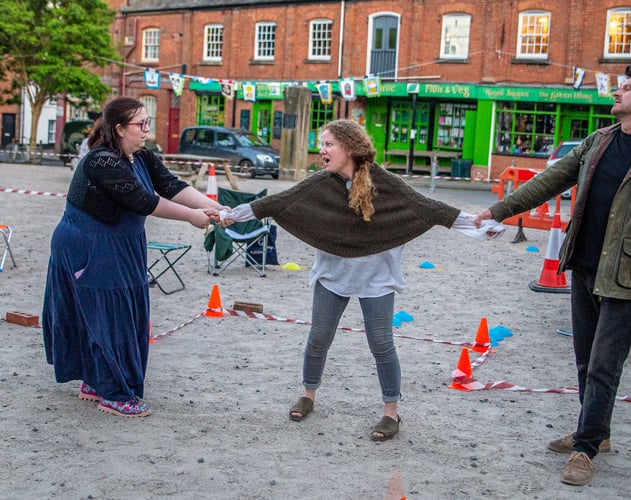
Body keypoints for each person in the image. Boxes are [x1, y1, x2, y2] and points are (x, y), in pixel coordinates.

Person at [475, 66, 631, 485]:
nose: (618, 91)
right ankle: (598, 433)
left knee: (605, 366)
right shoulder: (599, 141)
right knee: (584, 359)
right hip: (584, 265)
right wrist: (497, 209)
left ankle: (585, 448)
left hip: (628, 276)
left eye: (627, 88)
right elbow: (549, 181)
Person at [222, 119, 503, 441]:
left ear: (350, 148)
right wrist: (230, 214)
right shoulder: (319, 183)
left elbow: (429, 208)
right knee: (318, 339)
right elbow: (275, 203)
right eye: (321, 143)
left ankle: (391, 413)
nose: (321, 150)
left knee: (381, 344)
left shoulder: (386, 183)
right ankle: (308, 394)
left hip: (376, 278)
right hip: (333, 275)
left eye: (328, 144)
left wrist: (478, 226)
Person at [43, 97, 226, 418]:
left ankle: (97, 380)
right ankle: (113, 393)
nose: (146, 130)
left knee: (121, 313)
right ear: (119, 128)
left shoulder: (141, 156)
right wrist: (191, 217)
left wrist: (215, 208)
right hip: (88, 247)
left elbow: (171, 185)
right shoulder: (101, 162)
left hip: (118, 247)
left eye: (147, 123)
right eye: (140, 124)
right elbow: (144, 201)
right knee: (107, 317)